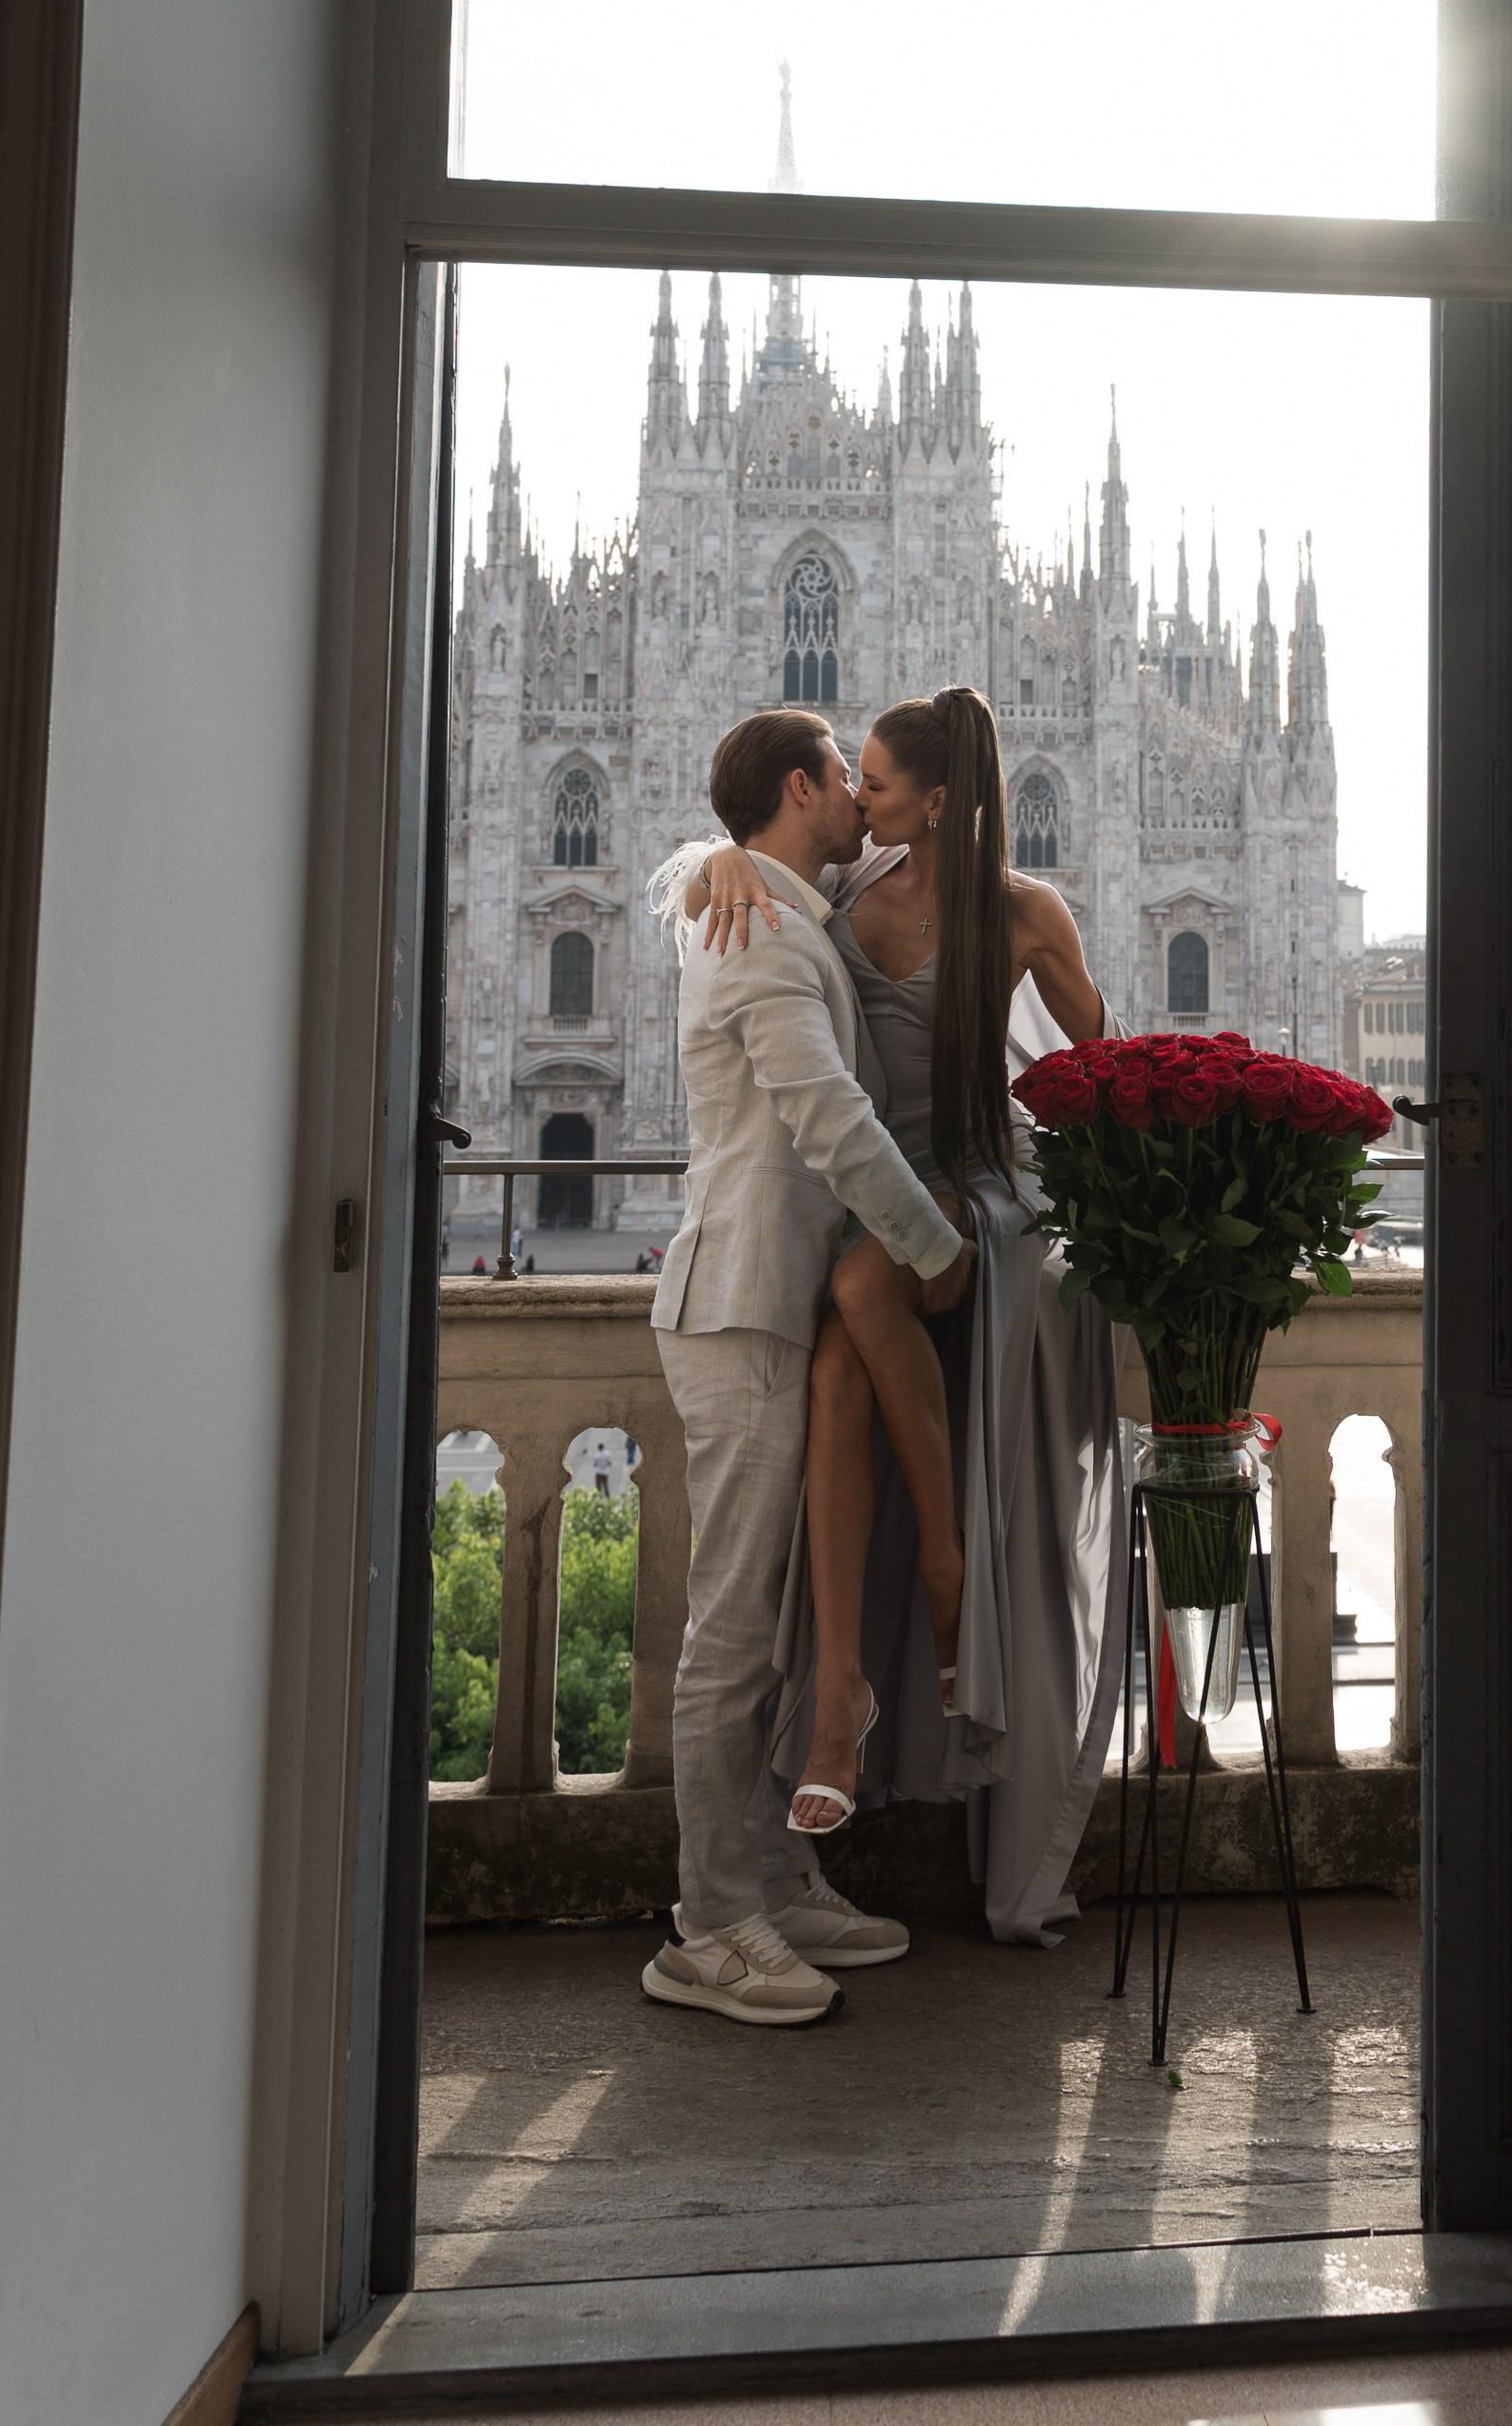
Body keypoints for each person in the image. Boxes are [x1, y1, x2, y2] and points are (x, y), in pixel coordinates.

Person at [685, 684, 1126, 1944]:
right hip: (882, 1196)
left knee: (861, 1287)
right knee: (838, 1364)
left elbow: (1098, 1060)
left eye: (873, 782)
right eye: (850, 777)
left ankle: (927, 1590)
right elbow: (742, 861)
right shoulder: (843, 881)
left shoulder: (1026, 912)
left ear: (935, 801)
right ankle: (866, 1665)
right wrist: (717, 856)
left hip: (973, 1188)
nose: (858, 796)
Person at [640, 706, 977, 2031]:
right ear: (800, 787)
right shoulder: (763, 935)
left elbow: (758, 856)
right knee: (731, 1635)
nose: (858, 796)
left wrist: (714, 854)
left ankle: (776, 1879)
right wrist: (933, 1250)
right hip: (742, 1308)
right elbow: (829, 1117)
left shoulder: (771, 900)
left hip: (773, 1304)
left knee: (774, 1622)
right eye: (842, 774)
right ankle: (709, 1923)